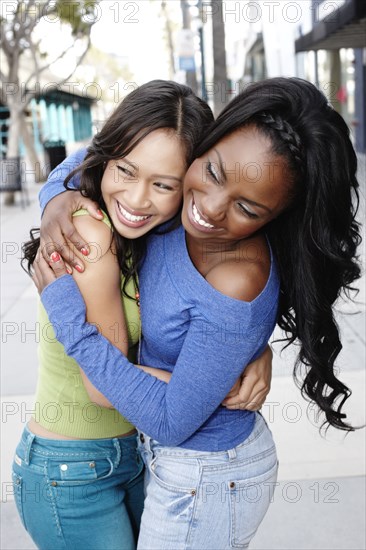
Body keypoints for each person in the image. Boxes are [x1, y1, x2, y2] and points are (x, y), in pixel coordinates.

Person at [34, 76, 361, 549]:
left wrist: (73, 324)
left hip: (209, 474)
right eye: (211, 173)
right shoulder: (168, 203)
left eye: (247, 207)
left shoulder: (237, 280)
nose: (207, 209)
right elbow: (103, 156)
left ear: (275, 216)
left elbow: (171, 419)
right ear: (205, 148)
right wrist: (57, 198)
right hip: (166, 461)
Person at [13, 80, 272, 550]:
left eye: (163, 184)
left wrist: (246, 346)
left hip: (125, 455)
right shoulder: (91, 235)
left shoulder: (160, 228)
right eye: (126, 172)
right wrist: (214, 380)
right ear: (109, 160)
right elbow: (102, 386)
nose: (136, 199)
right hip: (70, 468)